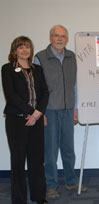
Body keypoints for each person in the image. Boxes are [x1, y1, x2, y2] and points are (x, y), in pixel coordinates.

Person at [34, 25, 87, 199]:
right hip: (49, 110)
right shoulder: (40, 58)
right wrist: (39, 112)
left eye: (63, 36)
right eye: (57, 36)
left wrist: (76, 107)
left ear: (67, 39)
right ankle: (50, 185)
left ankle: (71, 182)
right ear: (50, 38)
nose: (60, 39)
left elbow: (76, 85)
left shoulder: (72, 57)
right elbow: (35, 89)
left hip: (68, 109)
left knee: (68, 149)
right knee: (50, 151)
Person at [1, 36, 49, 204]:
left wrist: (38, 114)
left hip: (36, 120)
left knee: (37, 160)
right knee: (18, 162)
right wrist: (31, 112)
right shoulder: (7, 69)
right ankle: (19, 200)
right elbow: (11, 95)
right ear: (15, 50)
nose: (24, 50)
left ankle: (39, 196)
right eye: (20, 47)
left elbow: (45, 93)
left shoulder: (38, 69)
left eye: (27, 47)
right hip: (17, 121)